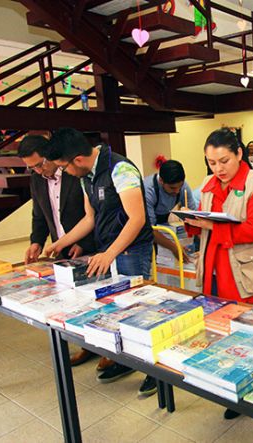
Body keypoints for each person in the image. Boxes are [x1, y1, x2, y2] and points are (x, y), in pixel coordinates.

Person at [43, 128, 157, 396]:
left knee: (140, 312)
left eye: (64, 167)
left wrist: (109, 254)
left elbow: (137, 218)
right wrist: (61, 242)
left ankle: (156, 374)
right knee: (117, 311)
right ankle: (125, 361)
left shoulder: (120, 169)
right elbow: (89, 218)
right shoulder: (88, 176)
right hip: (111, 250)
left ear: (78, 160)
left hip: (132, 252)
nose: (65, 173)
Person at [184, 128, 253, 419]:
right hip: (214, 268)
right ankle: (237, 393)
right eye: (212, 162)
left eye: (224, 160)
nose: (218, 168)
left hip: (248, 272)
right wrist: (191, 219)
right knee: (226, 333)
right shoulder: (209, 182)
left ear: (239, 154)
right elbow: (204, 218)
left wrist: (212, 226)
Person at [18, 135, 98, 367]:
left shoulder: (76, 172)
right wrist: (36, 242)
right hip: (60, 249)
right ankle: (86, 346)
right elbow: (40, 214)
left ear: (51, 154)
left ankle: (107, 351)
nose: (38, 170)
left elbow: (94, 214)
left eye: (40, 163)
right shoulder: (37, 179)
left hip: (88, 246)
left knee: (95, 301)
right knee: (72, 303)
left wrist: (83, 241)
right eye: (31, 167)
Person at [144, 159, 197, 258]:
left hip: (164, 226)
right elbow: (149, 229)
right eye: (172, 188)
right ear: (161, 181)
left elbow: (195, 216)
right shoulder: (148, 190)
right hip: (145, 230)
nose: (177, 191)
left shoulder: (183, 187)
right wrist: (174, 247)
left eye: (179, 187)